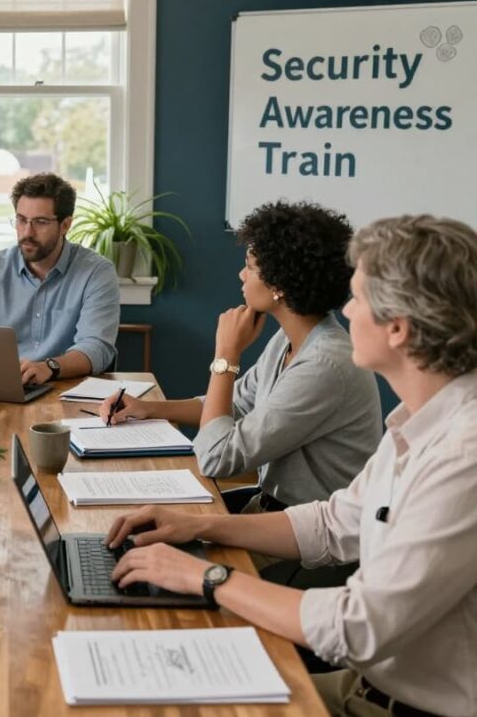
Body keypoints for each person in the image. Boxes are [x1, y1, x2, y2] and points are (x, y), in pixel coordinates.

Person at [105, 215, 477, 717]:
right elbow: (332, 521)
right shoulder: (415, 421)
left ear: (398, 329)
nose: (345, 309)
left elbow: (356, 627)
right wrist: (202, 525)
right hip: (364, 686)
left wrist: (209, 577)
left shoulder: (461, 458)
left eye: (359, 299)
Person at [100, 201, 382, 510]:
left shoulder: (324, 365)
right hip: (269, 506)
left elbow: (216, 457)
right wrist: (148, 408)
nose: (241, 275)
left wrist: (225, 354)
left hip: (309, 539)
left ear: (279, 283)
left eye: (250, 265)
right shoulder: (289, 340)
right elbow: (232, 406)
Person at [0, 172, 120, 386]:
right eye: (21, 220)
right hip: (1, 387)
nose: (27, 232)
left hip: (66, 387)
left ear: (65, 225)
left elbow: (96, 347)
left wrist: (48, 367)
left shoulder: (97, 273)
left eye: (40, 222)